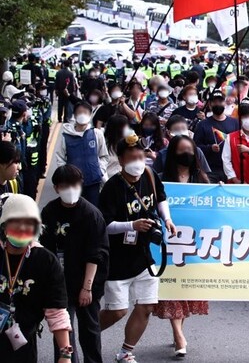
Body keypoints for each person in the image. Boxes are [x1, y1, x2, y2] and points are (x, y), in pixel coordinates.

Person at [99, 134, 177, 363]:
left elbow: (160, 198)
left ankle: (126, 351)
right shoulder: (112, 187)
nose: (138, 161)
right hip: (118, 258)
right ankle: (83, 334)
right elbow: (105, 225)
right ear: (121, 160)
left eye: (141, 156)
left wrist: (167, 219)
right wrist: (132, 225)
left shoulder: (150, 175)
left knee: (147, 306)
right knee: (117, 311)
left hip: (144, 256)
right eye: (132, 157)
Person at [40, 165, 109, 363]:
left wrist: (87, 288)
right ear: (56, 188)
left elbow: (95, 255)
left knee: (90, 332)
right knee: (62, 330)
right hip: (60, 283)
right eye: (65, 185)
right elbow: (45, 249)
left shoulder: (91, 215)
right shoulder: (50, 211)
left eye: (75, 184)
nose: (70, 189)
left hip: (88, 281)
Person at [0, 194, 74, 362]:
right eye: (16, 222)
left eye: (29, 223)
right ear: (4, 226)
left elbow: (57, 311)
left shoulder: (46, 261)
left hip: (23, 340)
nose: (23, 228)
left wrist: (65, 354)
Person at [155, 135, 209, 357]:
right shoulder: (160, 180)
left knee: (185, 289)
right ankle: (178, 335)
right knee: (170, 289)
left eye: (190, 150)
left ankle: (178, 330)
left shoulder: (202, 179)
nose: (186, 154)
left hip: (192, 246)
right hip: (167, 244)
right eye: (182, 150)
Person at [54, 101, 109, 206]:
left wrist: (100, 170)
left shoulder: (97, 134)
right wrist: (65, 176)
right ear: (74, 115)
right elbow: (60, 158)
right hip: (73, 184)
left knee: (93, 209)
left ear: (90, 115)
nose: (82, 115)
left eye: (86, 112)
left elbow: (104, 156)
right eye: (79, 112)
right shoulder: (65, 136)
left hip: (93, 181)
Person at [193, 90, 239, 183]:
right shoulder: (202, 124)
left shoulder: (234, 123)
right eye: (215, 102)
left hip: (230, 169)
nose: (218, 104)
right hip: (210, 170)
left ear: (224, 103)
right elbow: (195, 147)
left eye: (220, 101)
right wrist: (210, 148)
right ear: (210, 104)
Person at [222, 104, 249, 184]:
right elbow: (226, 160)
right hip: (235, 184)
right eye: (245, 117)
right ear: (240, 119)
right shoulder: (230, 137)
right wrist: (235, 179)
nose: (248, 119)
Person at [104, 114, 133, 179]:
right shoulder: (104, 145)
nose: (128, 129)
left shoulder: (128, 144)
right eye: (125, 127)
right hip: (108, 180)